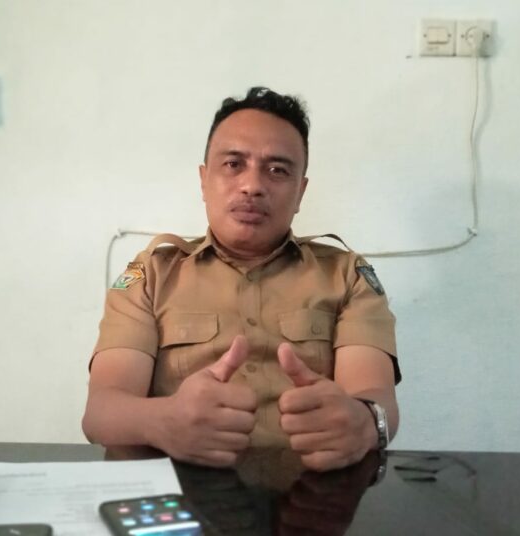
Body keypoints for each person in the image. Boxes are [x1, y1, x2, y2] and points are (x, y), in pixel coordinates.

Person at [82, 87, 400, 471]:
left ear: (300, 192)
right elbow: (101, 412)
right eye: (233, 164)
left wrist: (363, 423)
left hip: (311, 495)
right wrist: (163, 421)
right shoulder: (151, 275)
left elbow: (375, 396)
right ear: (204, 180)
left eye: (277, 170)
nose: (253, 186)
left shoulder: (347, 276)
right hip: (178, 493)